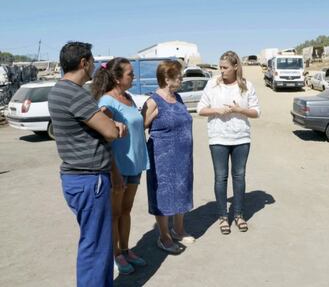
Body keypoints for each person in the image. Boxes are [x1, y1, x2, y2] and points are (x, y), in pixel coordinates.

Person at [48, 42, 126, 287]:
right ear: (83, 62)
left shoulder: (58, 90)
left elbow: (84, 126)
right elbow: (110, 133)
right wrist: (115, 126)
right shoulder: (75, 93)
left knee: (95, 242)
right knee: (95, 245)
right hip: (90, 180)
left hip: (76, 177)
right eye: (92, 61)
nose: (93, 66)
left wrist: (101, 118)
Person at [91, 58, 149, 275]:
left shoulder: (129, 98)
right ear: (116, 78)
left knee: (126, 210)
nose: (133, 77)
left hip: (135, 164)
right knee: (115, 213)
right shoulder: (106, 103)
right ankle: (115, 254)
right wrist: (113, 171)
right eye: (130, 74)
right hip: (118, 168)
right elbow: (104, 138)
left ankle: (125, 250)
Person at [197, 50, 260, 235]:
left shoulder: (247, 86)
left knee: (239, 177)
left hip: (241, 138)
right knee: (220, 178)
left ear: (235, 67)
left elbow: (256, 112)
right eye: (220, 67)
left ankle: (239, 215)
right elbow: (201, 109)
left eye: (225, 67)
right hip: (218, 138)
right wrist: (217, 110)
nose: (221, 71)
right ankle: (223, 217)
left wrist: (240, 110)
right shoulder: (212, 84)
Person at [142, 60, 194, 254]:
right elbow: (140, 127)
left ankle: (178, 229)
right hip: (161, 158)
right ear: (166, 78)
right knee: (163, 194)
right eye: (178, 75)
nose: (181, 78)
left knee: (182, 190)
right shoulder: (153, 101)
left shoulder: (178, 97)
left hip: (183, 157)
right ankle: (164, 236)